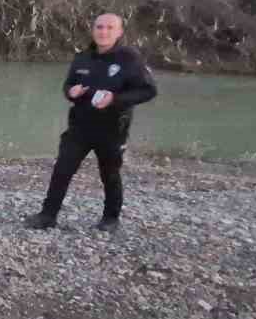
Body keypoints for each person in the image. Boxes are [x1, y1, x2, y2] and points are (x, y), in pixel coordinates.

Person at [24, 13, 157, 234]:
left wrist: (115, 99)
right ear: (93, 29)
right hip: (80, 127)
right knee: (62, 170)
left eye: (109, 28)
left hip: (113, 128)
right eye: (99, 27)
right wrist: (71, 92)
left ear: (119, 32)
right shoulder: (83, 58)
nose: (103, 32)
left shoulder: (129, 58)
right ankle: (48, 215)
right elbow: (69, 87)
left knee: (110, 173)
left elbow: (148, 91)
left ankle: (111, 218)